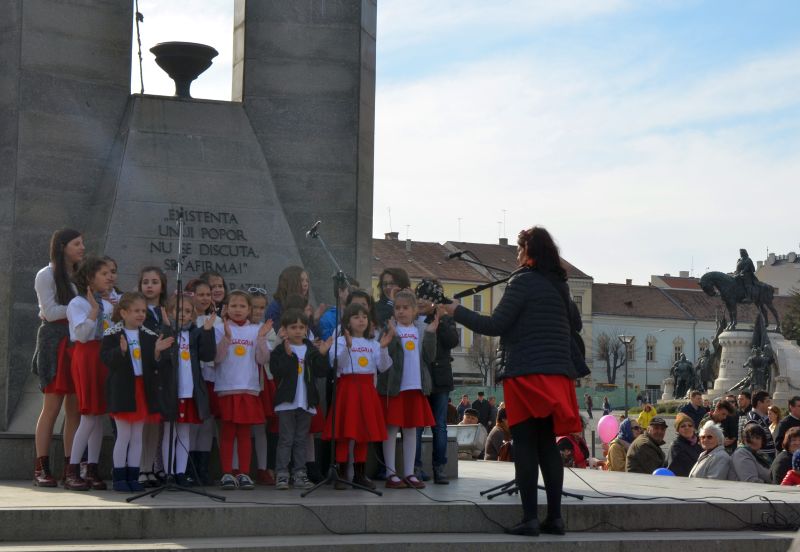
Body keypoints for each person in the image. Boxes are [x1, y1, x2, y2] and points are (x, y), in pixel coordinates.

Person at [444, 226, 581, 537]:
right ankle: (555, 518)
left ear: (529, 253)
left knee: (525, 444)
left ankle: (530, 518)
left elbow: (495, 324)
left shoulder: (521, 282)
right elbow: (574, 322)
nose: (518, 256)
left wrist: (456, 311)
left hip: (525, 374)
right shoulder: (560, 285)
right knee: (547, 443)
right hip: (557, 374)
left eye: (520, 250)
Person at [101, 292, 170, 492]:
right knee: (124, 434)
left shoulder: (148, 335)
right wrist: (121, 351)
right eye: (136, 311)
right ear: (123, 312)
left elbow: (153, 365)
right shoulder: (112, 334)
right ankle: (119, 476)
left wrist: (157, 353)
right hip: (123, 389)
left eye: (143, 311)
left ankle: (134, 475)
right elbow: (106, 359)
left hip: (143, 388)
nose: (140, 314)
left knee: (138, 435)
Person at [31, 228, 85, 487]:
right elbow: (50, 312)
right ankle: (41, 466)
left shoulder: (81, 275)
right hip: (55, 344)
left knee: (74, 410)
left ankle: (70, 467)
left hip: (77, 344)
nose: (82, 248)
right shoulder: (46, 274)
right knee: (51, 408)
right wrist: (80, 307)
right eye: (77, 243)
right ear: (63, 246)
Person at [324, 303, 393, 490]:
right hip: (347, 388)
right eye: (356, 316)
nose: (361, 319)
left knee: (363, 433)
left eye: (364, 316)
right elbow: (336, 363)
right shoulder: (339, 341)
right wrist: (347, 346)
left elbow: (384, 366)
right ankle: (341, 472)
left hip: (367, 389)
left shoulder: (373, 343)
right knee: (344, 434)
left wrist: (384, 348)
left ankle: (359, 475)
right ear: (347, 321)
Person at [63, 256, 115, 491]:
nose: (110, 277)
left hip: (103, 357)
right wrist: (94, 311)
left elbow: (111, 331)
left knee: (99, 415)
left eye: (111, 273)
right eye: (104, 273)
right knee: (88, 415)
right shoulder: (78, 304)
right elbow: (82, 334)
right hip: (86, 357)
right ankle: (72, 468)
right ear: (90, 278)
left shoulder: (111, 305)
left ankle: (91, 467)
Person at [379, 290, 438, 489]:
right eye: (398, 308)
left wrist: (431, 333)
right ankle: (390, 473)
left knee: (411, 430)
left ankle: (410, 472)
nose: (401, 312)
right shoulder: (390, 329)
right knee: (391, 429)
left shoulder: (420, 330)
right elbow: (387, 358)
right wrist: (393, 337)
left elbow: (429, 357)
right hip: (396, 388)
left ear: (414, 311)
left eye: (406, 308)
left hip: (415, 387)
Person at [214, 290, 273, 490]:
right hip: (228, 387)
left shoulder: (255, 330)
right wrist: (227, 338)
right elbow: (216, 358)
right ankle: (226, 473)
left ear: (249, 310)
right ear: (226, 308)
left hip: (249, 388)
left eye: (242, 306)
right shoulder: (220, 328)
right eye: (233, 306)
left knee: (245, 433)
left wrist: (263, 339)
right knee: (228, 432)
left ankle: (244, 473)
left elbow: (262, 359)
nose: (237, 310)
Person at [157, 293, 216, 487]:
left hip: (189, 391)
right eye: (179, 310)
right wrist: (167, 328)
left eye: (188, 311)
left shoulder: (196, 333)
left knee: (184, 433)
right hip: (172, 391)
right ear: (171, 312)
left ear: (193, 315)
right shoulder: (166, 331)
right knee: (169, 432)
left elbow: (208, 355)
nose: (183, 314)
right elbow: (161, 358)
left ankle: (181, 472)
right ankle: (169, 472)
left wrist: (208, 331)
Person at [270, 308, 331, 491]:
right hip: (287, 402)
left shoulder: (311, 349)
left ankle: (300, 473)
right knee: (286, 439)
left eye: (301, 327)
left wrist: (322, 354)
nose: (297, 330)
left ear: (306, 329)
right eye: (293, 327)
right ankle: (282, 473)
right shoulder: (281, 349)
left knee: (301, 439)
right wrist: (288, 357)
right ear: (285, 330)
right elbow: (277, 371)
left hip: (306, 401)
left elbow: (321, 372)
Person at [414, 285, 460, 484]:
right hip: (418, 377)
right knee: (416, 425)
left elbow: (452, 341)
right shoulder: (413, 318)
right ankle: (415, 467)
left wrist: (439, 320)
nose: (422, 301)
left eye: (426, 298)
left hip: (440, 378)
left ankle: (439, 468)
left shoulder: (445, 318)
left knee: (439, 425)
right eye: (419, 297)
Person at [135, 266, 169, 488]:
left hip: (162, 371)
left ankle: (150, 467)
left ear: (162, 286)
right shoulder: (136, 309)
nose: (149, 285)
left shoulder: (166, 310)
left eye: (154, 281)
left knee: (155, 423)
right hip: (142, 369)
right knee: (141, 424)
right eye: (145, 281)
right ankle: (139, 468)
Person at [185, 279, 220, 486]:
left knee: (207, 424)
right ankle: (188, 467)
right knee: (193, 424)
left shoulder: (218, 321)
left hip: (213, 377)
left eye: (208, 294)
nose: (205, 298)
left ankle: (203, 467)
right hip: (194, 377)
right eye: (201, 294)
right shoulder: (188, 321)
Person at [746, 390, 776, 461]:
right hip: (761, 461)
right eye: (767, 401)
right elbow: (753, 443)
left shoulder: (762, 417)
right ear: (759, 403)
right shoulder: (753, 419)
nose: (770, 404)